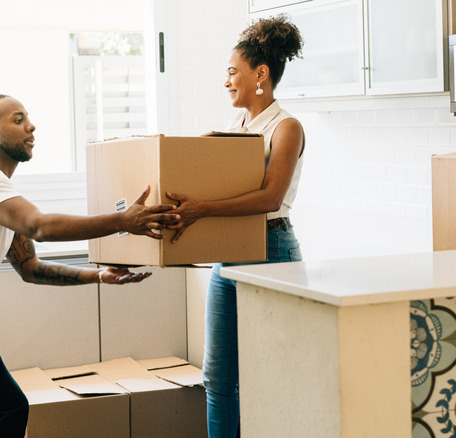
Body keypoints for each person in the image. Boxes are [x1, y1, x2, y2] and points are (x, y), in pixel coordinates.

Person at [0, 94, 179, 438]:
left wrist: (98, 275)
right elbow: (40, 226)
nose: (31, 125)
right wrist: (122, 221)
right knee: (7, 406)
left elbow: (30, 268)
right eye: (17, 119)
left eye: (27, 117)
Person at [165, 15, 305, 438]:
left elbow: (270, 198)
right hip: (230, 256)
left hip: (271, 250)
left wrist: (200, 209)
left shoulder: (286, 127)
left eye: (232, 72)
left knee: (271, 375)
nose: (226, 81)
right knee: (218, 377)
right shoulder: (234, 129)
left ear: (260, 74)